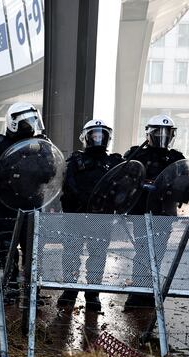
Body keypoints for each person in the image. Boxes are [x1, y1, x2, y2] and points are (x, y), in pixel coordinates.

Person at [0, 102, 49, 302]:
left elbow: (50, 171)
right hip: (5, 202)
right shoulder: (0, 143)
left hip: (32, 200)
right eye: (26, 122)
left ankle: (32, 290)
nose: (30, 126)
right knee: (6, 247)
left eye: (32, 121)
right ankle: (9, 287)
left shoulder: (41, 143)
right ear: (13, 123)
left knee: (32, 248)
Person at [57, 119, 124, 311]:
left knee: (98, 255)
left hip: (101, 218)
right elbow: (67, 185)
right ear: (85, 137)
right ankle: (70, 290)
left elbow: (122, 188)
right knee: (71, 253)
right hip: (76, 216)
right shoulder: (75, 161)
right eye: (94, 135)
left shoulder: (114, 162)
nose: (98, 138)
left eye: (101, 135)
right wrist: (83, 199)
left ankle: (93, 293)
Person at [121, 114, 186, 309]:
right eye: (158, 131)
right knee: (142, 251)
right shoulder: (136, 154)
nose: (162, 136)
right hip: (142, 212)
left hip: (165, 213)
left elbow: (185, 185)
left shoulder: (176, 158)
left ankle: (149, 292)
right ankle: (137, 293)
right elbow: (124, 180)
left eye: (167, 132)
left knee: (158, 252)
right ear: (149, 132)